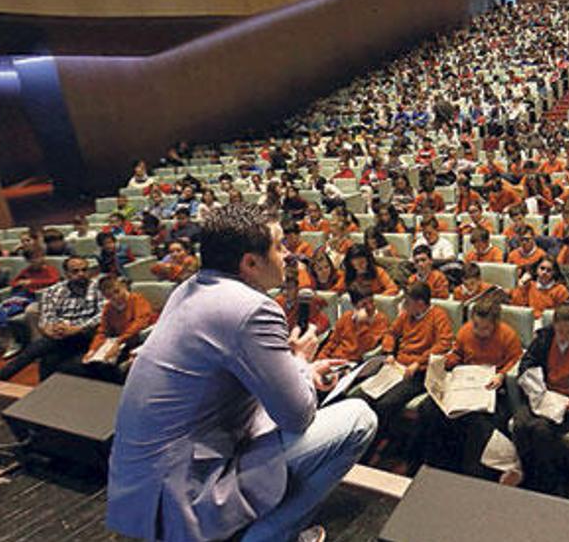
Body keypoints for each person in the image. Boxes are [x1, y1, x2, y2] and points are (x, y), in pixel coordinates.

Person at [107, 203, 375, 541]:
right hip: (185, 491)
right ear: (250, 262)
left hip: (139, 489)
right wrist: (302, 367)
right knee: (360, 418)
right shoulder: (253, 309)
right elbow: (298, 416)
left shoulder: (187, 290)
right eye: (279, 247)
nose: (289, 255)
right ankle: (272, 536)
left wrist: (295, 369)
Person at [416, 296, 522, 479]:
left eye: (486, 328)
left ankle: (476, 472)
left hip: (492, 389)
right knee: (428, 409)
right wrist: (444, 363)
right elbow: (458, 353)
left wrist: (502, 374)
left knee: (477, 422)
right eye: (476, 326)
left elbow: (516, 361)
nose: (480, 332)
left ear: (495, 324)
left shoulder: (508, 335)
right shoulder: (465, 331)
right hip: (465, 384)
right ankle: (436, 464)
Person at [511, 304, 569, 495]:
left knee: (540, 430)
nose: (563, 335)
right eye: (559, 330)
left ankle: (552, 480)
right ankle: (529, 473)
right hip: (541, 395)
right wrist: (533, 385)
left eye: (568, 331)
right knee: (520, 425)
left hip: (567, 402)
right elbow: (527, 363)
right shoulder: (544, 338)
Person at [376, 281, 455, 461]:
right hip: (398, 366)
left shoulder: (438, 316)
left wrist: (418, 363)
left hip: (419, 372)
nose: (404, 306)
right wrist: (389, 352)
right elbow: (391, 333)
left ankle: (394, 444)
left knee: (386, 403)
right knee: (371, 396)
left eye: (407, 302)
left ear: (420, 304)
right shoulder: (405, 315)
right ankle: (387, 439)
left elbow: (444, 344)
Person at [0, 256, 102, 381]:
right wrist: (50, 328)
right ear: (66, 274)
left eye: (84, 270)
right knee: (48, 356)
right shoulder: (54, 291)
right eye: (75, 271)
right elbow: (47, 316)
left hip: (86, 333)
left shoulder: (98, 288)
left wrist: (78, 328)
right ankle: (7, 378)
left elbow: (102, 315)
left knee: (41, 348)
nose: (81, 274)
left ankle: (2, 375)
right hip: (60, 334)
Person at [83, 275, 156, 381]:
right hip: (122, 341)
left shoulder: (137, 299)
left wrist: (118, 342)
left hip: (141, 337)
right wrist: (92, 350)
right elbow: (103, 331)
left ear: (124, 287)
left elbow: (140, 323)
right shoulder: (108, 308)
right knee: (97, 365)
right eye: (109, 296)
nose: (115, 297)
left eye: (117, 292)